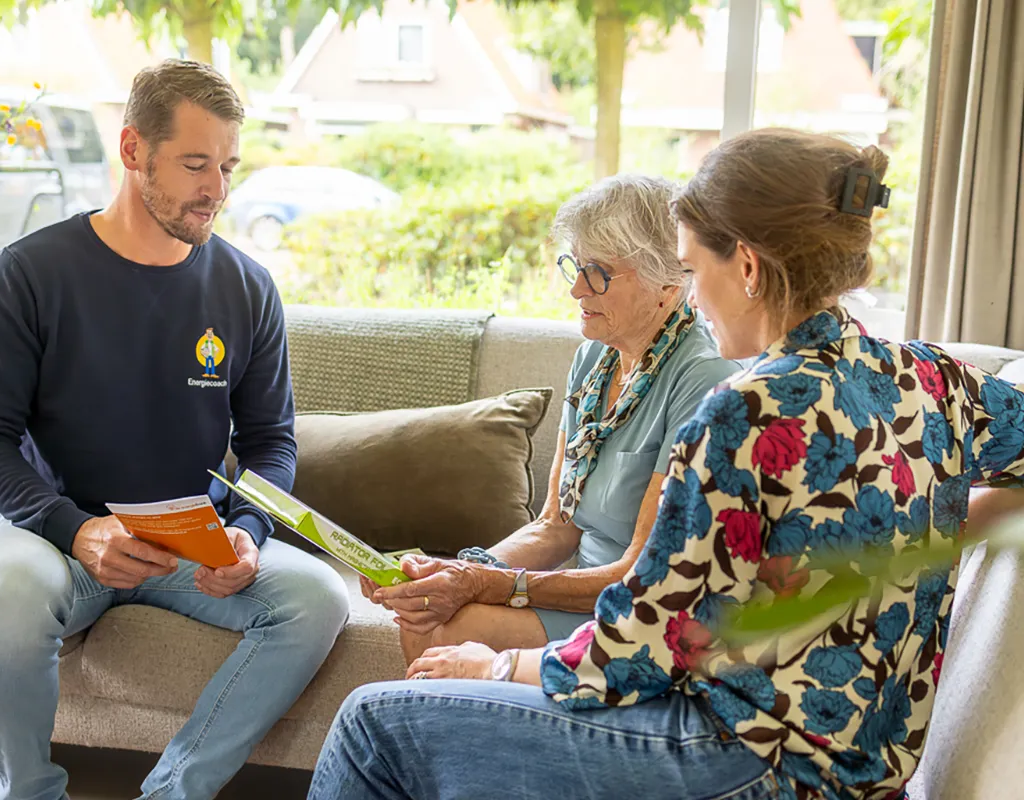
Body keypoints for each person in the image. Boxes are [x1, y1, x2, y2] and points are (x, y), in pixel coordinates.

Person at [307, 128, 1024, 800]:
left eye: (690, 268)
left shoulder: (742, 412)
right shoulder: (931, 380)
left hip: (745, 758)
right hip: (867, 764)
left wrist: (492, 666)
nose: (692, 295)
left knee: (377, 723)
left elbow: (644, 644)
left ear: (746, 265)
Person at [0, 59, 349, 800]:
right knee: (5, 591)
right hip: (51, 532)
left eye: (228, 166)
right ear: (134, 151)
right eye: (196, 163)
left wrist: (247, 533)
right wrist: (76, 530)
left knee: (318, 600)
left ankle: (173, 793)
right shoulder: (30, 273)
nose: (217, 190)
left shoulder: (247, 287)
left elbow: (270, 441)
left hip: (186, 544)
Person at [363, 175, 738, 664]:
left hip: (639, 611)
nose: (577, 289)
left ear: (666, 284)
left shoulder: (703, 378)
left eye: (599, 272)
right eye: (575, 267)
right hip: (580, 591)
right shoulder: (594, 358)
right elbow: (555, 528)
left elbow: (639, 571)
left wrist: (487, 583)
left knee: (448, 627)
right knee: (430, 610)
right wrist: (451, 573)